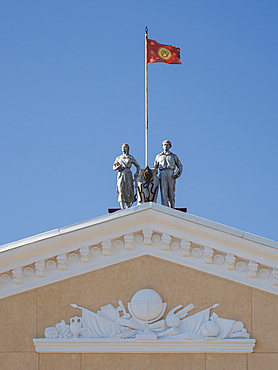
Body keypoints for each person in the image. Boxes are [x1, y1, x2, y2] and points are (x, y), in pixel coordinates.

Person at [153, 140, 183, 208]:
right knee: (164, 190)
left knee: (171, 191)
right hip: (162, 173)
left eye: (167, 144)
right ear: (162, 146)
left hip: (170, 173)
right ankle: (165, 206)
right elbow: (155, 167)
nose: (166, 146)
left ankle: (172, 206)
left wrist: (177, 174)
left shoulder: (173, 156)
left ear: (170, 146)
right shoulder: (159, 156)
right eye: (164, 144)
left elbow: (180, 166)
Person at [113, 143, 140, 209]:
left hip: (128, 174)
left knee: (128, 189)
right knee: (121, 189)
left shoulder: (130, 157)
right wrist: (117, 167)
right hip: (121, 174)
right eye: (122, 147)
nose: (123, 148)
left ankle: (128, 207)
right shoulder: (118, 158)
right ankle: (122, 207)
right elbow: (114, 167)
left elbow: (138, 166)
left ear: (128, 149)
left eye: (125, 147)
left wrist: (137, 173)